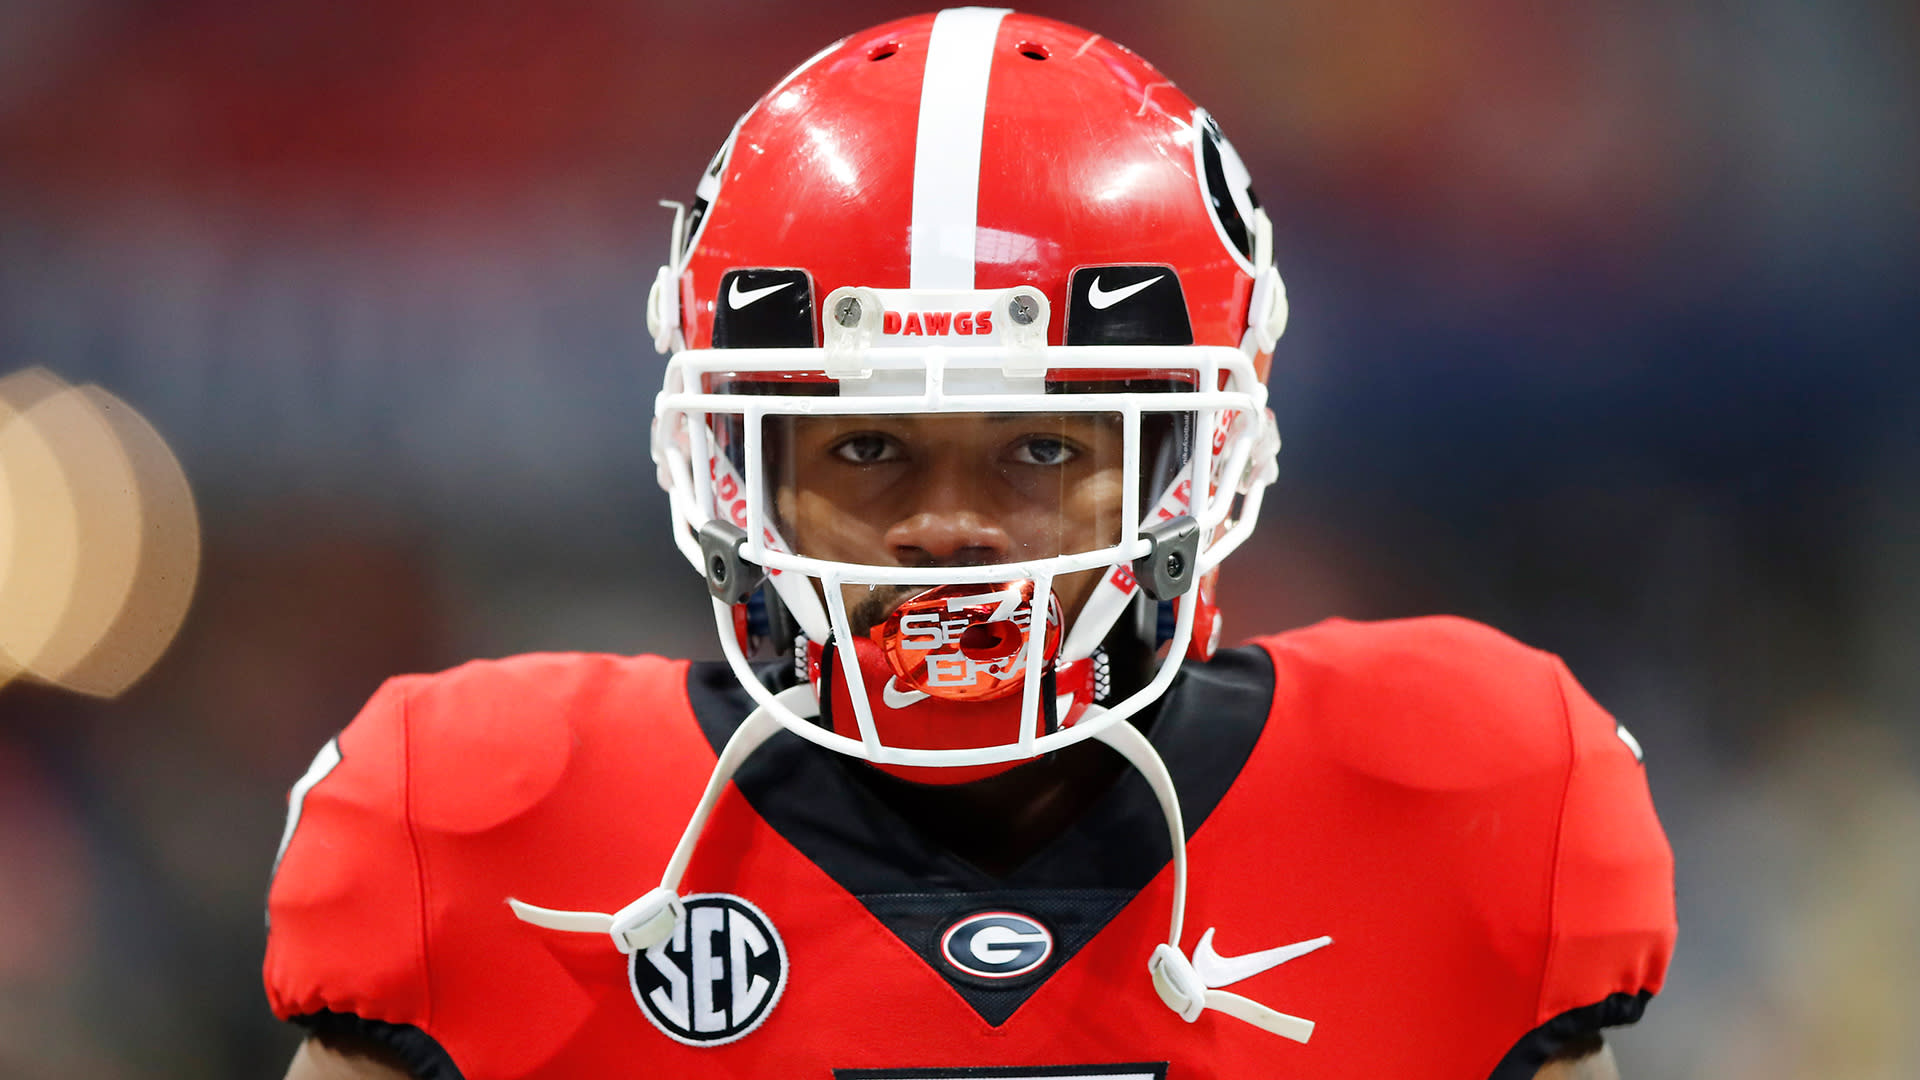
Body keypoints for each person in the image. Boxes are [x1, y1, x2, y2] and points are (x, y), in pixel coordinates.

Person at [265, 9, 1674, 1078]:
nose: (946, 523)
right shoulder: (482, 836)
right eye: (867, 448)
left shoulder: (1464, 811)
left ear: (1203, 456)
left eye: (1043, 448)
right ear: (729, 465)